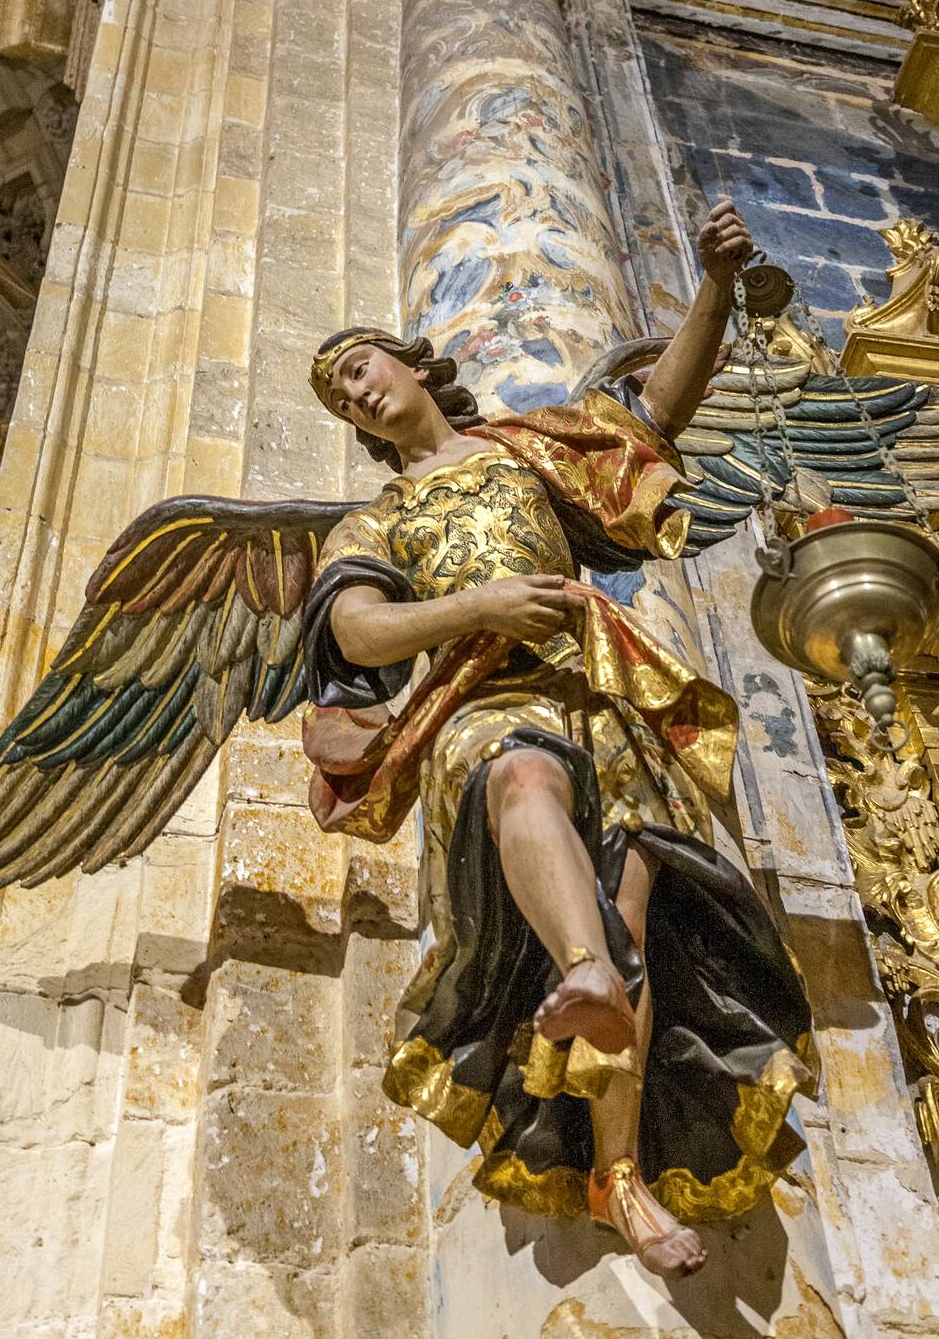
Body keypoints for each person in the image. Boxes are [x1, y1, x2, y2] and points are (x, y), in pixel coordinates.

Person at [302, 200, 817, 1280]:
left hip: (600, 694)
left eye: (362, 366)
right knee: (520, 780)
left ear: (409, 363)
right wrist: (474, 607)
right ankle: (578, 968)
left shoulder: (524, 450)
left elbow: (651, 416)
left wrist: (715, 287)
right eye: (341, 391)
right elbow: (357, 627)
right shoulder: (379, 522)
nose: (358, 388)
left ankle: (618, 1175)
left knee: (630, 931)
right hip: (478, 705)